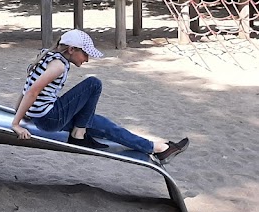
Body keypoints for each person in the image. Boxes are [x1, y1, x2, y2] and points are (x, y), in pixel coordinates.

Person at [10, 29, 190, 165]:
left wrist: (21, 111)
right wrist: (16, 123)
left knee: (102, 124)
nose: (87, 59)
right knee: (93, 83)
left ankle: (158, 148)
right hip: (50, 118)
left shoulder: (48, 56)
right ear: (72, 49)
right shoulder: (58, 66)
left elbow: (26, 88)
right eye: (85, 53)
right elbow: (32, 90)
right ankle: (79, 134)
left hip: (45, 115)